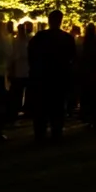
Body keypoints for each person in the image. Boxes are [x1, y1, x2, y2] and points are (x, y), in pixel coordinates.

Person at [28, 10, 75, 142]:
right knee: (58, 107)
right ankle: (56, 132)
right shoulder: (67, 38)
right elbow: (72, 58)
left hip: (42, 77)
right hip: (59, 77)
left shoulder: (39, 37)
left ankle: (40, 133)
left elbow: (31, 56)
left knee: (41, 108)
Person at [9, 22, 30, 122]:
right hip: (19, 70)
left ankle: (24, 109)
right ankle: (16, 110)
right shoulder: (16, 41)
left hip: (25, 70)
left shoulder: (26, 41)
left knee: (24, 91)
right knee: (17, 92)